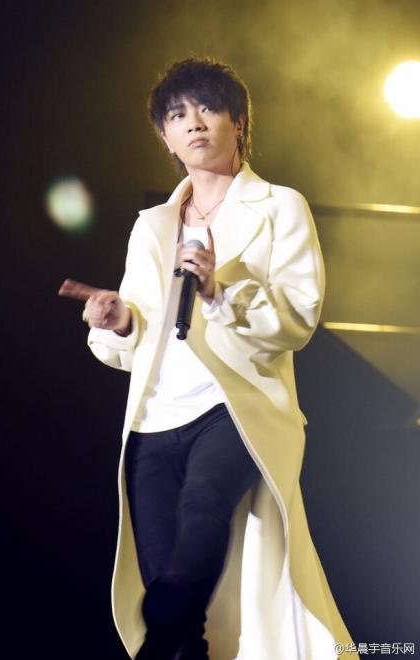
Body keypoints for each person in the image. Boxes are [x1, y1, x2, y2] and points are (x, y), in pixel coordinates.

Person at [59, 58, 358, 660]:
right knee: (166, 577)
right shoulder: (152, 227)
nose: (194, 122)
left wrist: (220, 292)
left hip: (235, 406)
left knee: (202, 513)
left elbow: (297, 320)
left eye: (207, 109)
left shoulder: (280, 207)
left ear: (238, 122)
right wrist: (118, 321)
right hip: (155, 417)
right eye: (177, 115)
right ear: (165, 138)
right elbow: (138, 330)